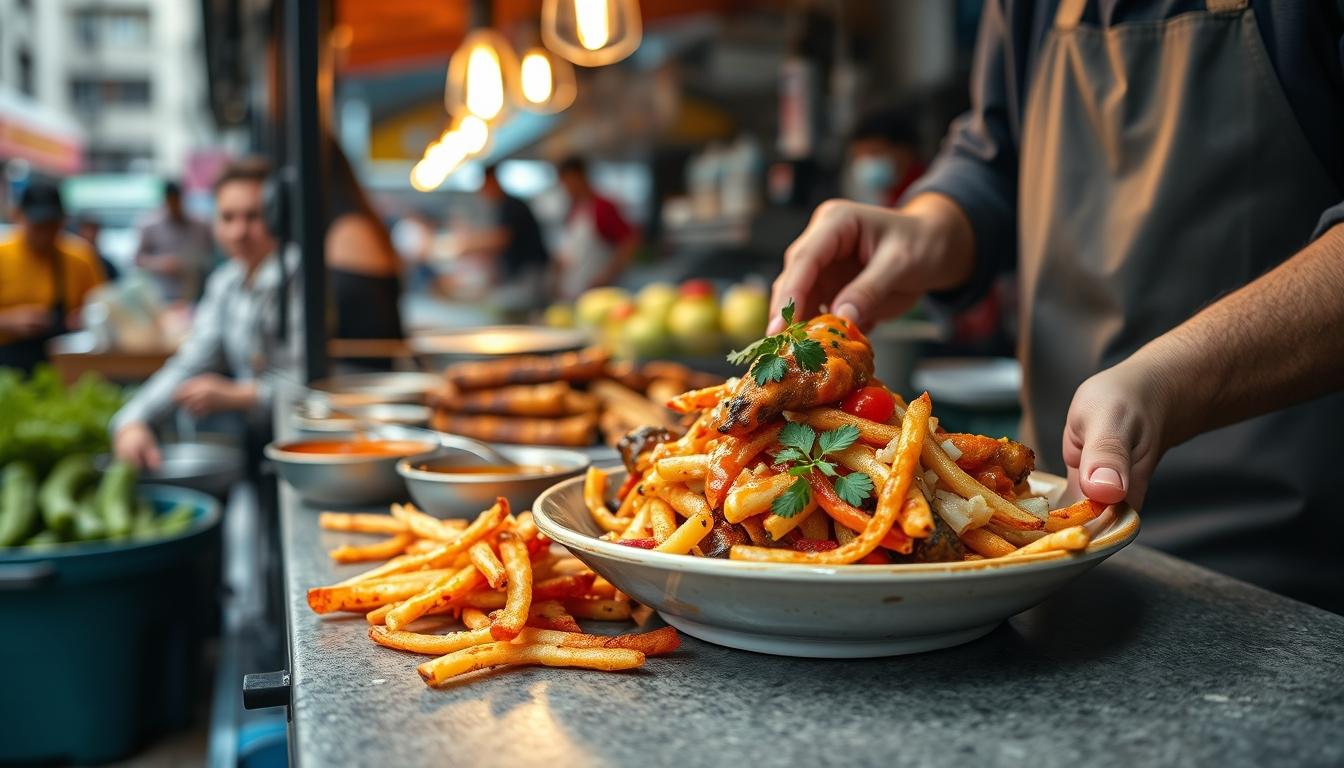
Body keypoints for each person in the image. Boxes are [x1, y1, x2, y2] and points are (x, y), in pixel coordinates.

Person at [769, 1, 1344, 611]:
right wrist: (929, 226)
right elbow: (993, 156)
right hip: (1040, 548)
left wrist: (1174, 381)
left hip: (1281, 567)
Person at [112, 159, 301, 470]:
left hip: (304, 445)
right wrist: (132, 421)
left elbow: (313, 386)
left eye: (253, 216)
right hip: (258, 442)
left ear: (277, 216)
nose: (239, 231)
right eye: (227, 218)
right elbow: (191, 362)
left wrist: (239, 395)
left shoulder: (298, 278)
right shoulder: (226, 282)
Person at [0, 182, 106, 374]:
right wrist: (8, 321)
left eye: (52, 226)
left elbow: (104, 307)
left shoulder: (80, 257)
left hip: (65, 363)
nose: (45, 234)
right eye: (38, 226)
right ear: (18, 216)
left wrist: (85, 318)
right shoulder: (2, 255)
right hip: (7, 363)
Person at [460, 164, 550, 316]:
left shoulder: (511, 205)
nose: (483, 193)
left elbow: (501, 239)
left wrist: (469, 246)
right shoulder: (502, 206)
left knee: (522, 312)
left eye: (483, 187)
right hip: (519, 273)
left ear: (492, 181)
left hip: (529, 271)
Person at [553, 155, 638, 300]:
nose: (565, 187)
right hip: (573, 291)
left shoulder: (602, 207)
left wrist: (607, 275)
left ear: (579, 177)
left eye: (567, 181)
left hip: (599, 293)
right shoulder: (573, 209)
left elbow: (629, 242)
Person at [133, 180, 213, 304]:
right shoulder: (149, 225)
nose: (175, 205)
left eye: (177, 200)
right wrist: (161, 264)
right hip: (160, 295)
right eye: (171, 201)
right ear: (165, 200)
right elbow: (138, 259)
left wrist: (192, 262)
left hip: (195, 294)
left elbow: (210, 255)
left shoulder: (200, 225)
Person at [843, 108, 927, 207]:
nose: (865, 163)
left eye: (873, 153)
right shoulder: (888, 198)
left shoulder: (929, 196)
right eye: (858, 156)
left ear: (903, 150)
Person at [74, 215, 119, 282]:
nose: (90, 234)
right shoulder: (73, 261)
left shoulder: (106, 265)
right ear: (79, 230)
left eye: (94, 229)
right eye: (87, 229)